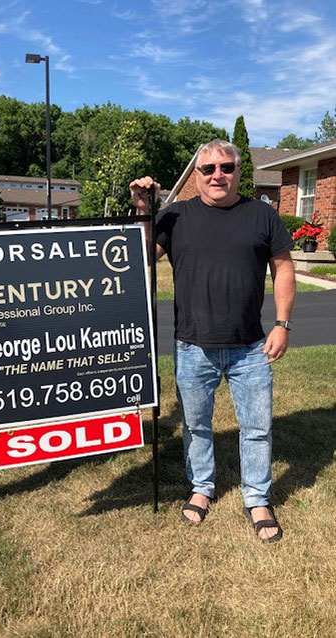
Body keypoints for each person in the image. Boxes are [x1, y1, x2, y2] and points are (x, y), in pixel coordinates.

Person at [130, 139, 295, 542]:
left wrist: (282, 324)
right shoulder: (175, 216)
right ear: (197, 175)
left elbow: (283, 268)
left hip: (250, 347)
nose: (217, 175)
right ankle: (201, 488)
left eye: (226, 167)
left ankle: (257, 498)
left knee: (256, 428)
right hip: (192, 345)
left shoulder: (262, 215)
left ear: (239, 172)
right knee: (196, 425)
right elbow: (140, 255)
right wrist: (143, 210)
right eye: (208, 169)